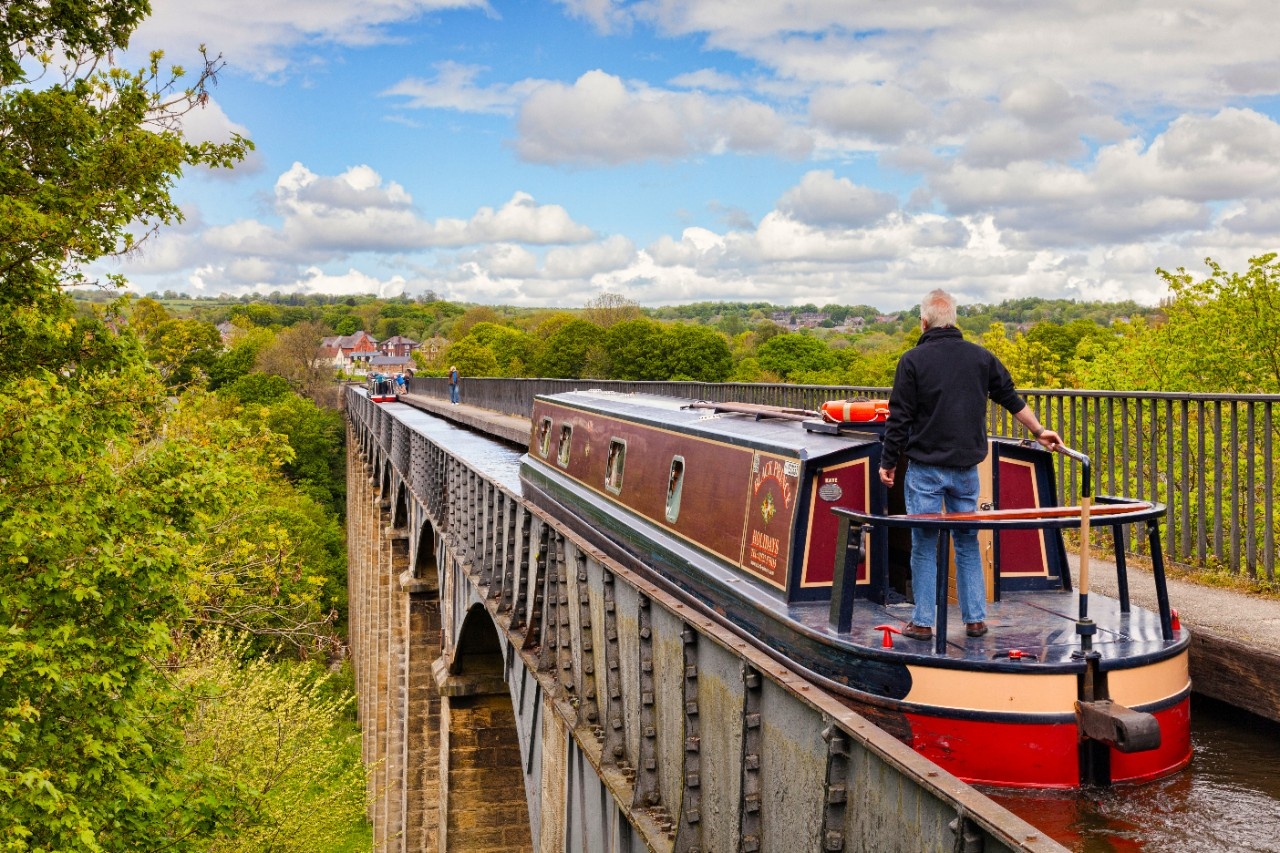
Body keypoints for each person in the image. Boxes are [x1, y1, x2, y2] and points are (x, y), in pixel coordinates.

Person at [878, 289, 1061, 642]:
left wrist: (888, 463)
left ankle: (923, 622)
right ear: (954, 320)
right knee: (967, 543)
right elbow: (1010, 397)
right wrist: (1039, 431)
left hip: (925, 470)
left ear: (924, 321)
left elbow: (899, 418)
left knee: (924, 545)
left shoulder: (912, 361)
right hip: (966, 470)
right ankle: (975, 619)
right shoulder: (981, 358)